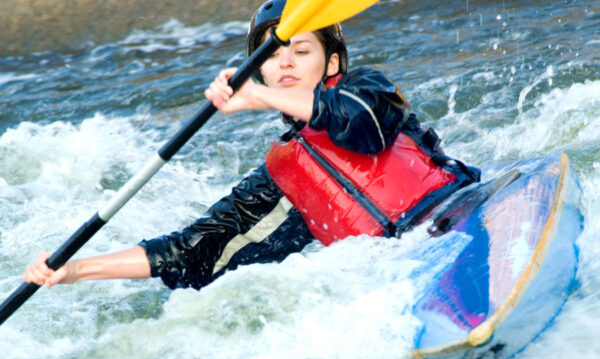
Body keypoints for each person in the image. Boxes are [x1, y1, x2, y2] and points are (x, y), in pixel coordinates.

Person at [24, 0, 479, 290]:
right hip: (403, 266)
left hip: (462, 211)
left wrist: (258, 97)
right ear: (258, 69)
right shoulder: (284, 175)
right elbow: (194, 251)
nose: (285, 64)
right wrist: (75, 269)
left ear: (333, 60)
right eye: (272, 58)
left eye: (301, 52)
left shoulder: (366, 87)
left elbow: (362, 126)